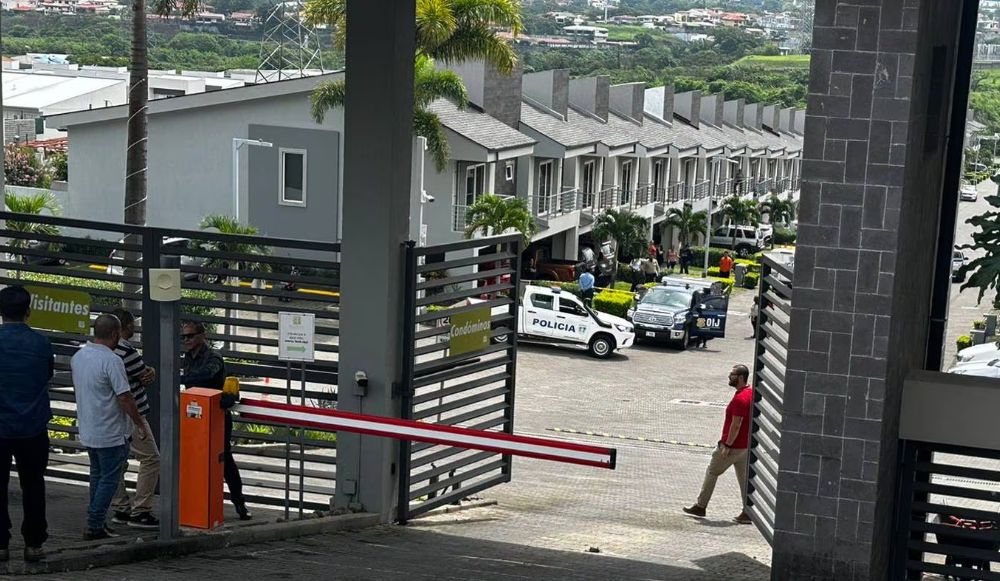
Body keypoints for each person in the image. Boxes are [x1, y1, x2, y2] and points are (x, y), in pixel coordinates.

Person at [72, 314, 147, 541]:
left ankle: (95, 521)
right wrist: (139, 422)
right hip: (111, 431)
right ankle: (95, 524)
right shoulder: (112, 360)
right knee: (109, 480)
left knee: (97, 475)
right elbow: (125, 397)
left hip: (89, 428)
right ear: (115, 334)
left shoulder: (79, 356)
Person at [0, 286, 53, 563]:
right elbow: (46, 376)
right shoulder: (41, 344)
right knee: (33, 485)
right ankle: (33, 543)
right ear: (28, 312)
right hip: (32, 426)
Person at [181, 321, 251, 520]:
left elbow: (208, 374)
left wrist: (183, 379)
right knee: (195, 459)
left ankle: (239, 503)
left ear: (202, 336)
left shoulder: (213, 356)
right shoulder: (187, 357)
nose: (186, 340)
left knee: (224, 459)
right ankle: (197, 503)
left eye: (190, 336)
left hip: (217, 415)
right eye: (183, 337)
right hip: (195, 416)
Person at [684, 364, 754, 524]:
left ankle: (701, 506)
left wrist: (727, 445)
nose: (730, 377)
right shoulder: (750, 393)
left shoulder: (740, 399)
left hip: (732, 448)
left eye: (733, 374)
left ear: (741, 378)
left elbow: (736, 424)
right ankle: (748, 512)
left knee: (712, 472)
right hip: (745, 446)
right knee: (744, 480)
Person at [110, 308, 160, 530]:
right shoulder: (127, 351)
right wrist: (150, 371)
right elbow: (144, 376)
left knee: (117, 463)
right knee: (151, 458)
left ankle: (121, 507)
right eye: (132, 324)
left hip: (111, 416)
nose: (135, 327)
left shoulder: (102, 350)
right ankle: (141, 510)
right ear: (125, 326)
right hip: (133, 414)